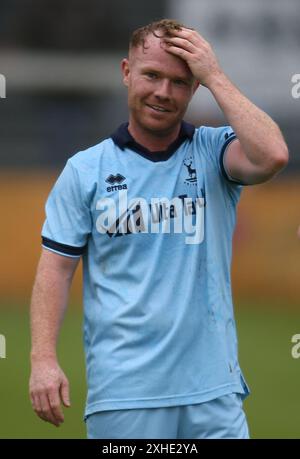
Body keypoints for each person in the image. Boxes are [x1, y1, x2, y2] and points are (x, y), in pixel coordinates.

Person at [29, 19, 289, 439]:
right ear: (126, 72)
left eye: (181, 82)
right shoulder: (85, 170)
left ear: (195, 88)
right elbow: (56, 269)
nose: (164, 93)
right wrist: (43, 359)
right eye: (151, 75)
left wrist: (215, 75)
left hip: (213, 394)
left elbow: (273, 155)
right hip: (125, 396)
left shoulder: (214, 152)